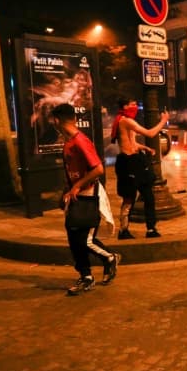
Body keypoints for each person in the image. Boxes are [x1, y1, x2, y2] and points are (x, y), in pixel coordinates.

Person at [50, 103, 119, 296]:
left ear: (57, 120)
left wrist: (77, 186)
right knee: (74, 240)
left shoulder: (80, 141)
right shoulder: (68, 141)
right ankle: (86, 277)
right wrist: (67, 191)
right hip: (76, 196)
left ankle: (110, 258)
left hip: (88, 196)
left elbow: (98, 169)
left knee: (85, 240)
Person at [111, 97, 169, 239]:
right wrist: (163, 120)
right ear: (124, 106)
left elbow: (132, 143)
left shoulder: (127, 121)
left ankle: (151, 228)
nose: (135, 106)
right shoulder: (125, 121)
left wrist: (146, 148)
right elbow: (150, 133)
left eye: (136, 104)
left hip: (136, 161)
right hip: (127, 163)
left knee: (148, 195)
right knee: (129, 198)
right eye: (132, 104)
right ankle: (123, 230)